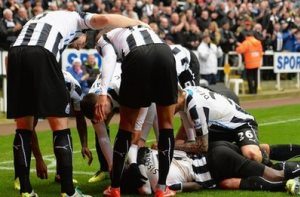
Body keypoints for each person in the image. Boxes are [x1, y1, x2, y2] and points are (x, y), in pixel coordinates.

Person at [7, 10, 147, 197]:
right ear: (83, 31)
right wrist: (137, 23)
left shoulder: (44, 18)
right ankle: (68, 191)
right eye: (83, 43)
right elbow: (104, 19)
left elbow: (10, 57)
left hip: (15, 55)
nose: (80, 47)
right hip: (41, 53)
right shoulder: (75, 18)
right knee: (60, 126)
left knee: (23, 129)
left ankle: (26, 190)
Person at [95, 25, 178, 197]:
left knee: (125, 126)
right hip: (165, 52)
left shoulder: (104, 38)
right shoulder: (137, 27)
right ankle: (162, 189)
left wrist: (102, 93)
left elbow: (110, 59)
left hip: (137, 56)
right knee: (167, 125)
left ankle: (115, 188)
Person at [119, 141, 300, 195]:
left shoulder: (156, 185)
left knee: (275, 175)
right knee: (262, 159)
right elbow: (134, 147)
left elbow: (195, 186)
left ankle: (286, 181)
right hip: (214, 150)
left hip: (214, 166)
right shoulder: (141, 155)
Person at [14, 70, 93, 189]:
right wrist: (39, 159)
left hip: (52, 82)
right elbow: (29, 129)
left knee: (63, 131)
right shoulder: (35, 89)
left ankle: (61, 174)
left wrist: (84, 145)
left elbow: (80, 118)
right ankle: (20, 177)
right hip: (30, 86)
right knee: (23, 131)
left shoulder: (74, 89)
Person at [174, 86, 263, 163]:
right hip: (218, 128)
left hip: (241, 123)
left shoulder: (196, 107)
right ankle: (241, 146)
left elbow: (202, 147)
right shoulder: (184, 94)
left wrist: (171, 146)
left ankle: (264, 158)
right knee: (206, 153)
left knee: (251, 154)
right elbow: (184, 137)